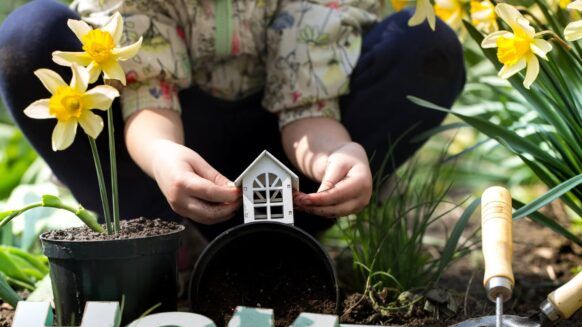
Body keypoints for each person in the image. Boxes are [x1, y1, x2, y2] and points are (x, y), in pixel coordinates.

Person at [0, 0, 465, 241]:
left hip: (280, 148)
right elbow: (149, 98)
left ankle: (286, 235)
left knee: (425, 45)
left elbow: (307, 106)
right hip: (166, 151)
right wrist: (165, 159)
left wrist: (333, 156)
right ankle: (156, 233)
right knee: (29, 35)